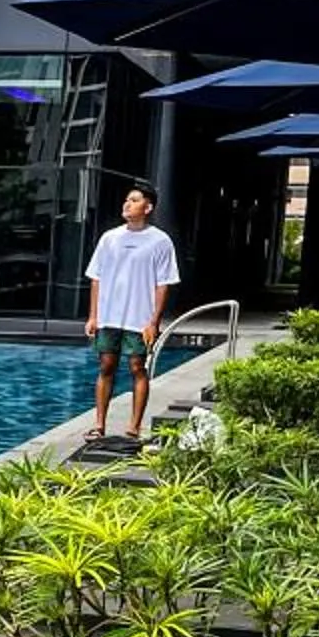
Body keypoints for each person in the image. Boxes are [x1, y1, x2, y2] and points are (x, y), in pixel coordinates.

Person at [83, 179, 181, 443]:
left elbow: (163, 284)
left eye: (134, 200)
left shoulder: (160, 241)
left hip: (140, 318)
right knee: (106, 365)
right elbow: (96, 278)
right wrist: (93, 316)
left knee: (138, 367)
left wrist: (154, 321)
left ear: (148, 207)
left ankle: (134, 427)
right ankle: (99, 424)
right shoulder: (109, 238)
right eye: (127, 200)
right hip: (109, 315)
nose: (127, 204)